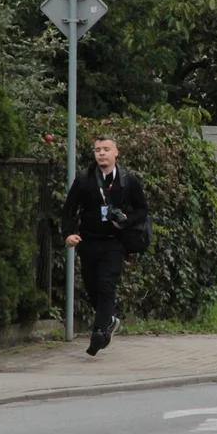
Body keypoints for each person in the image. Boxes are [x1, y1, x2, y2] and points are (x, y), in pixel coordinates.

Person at [63, 134, 149, 357]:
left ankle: (99, 334)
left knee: (106, 287)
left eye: (106, 149)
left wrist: (125, 221)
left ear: (116, 152)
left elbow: (142, 210)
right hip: (88, 242)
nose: (101, 153)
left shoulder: (128, 180)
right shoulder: (84, 179)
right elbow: (69, 210)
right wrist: (69, 234)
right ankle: (109, 321)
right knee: (92, 289)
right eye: (97, 149)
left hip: (114, 244)